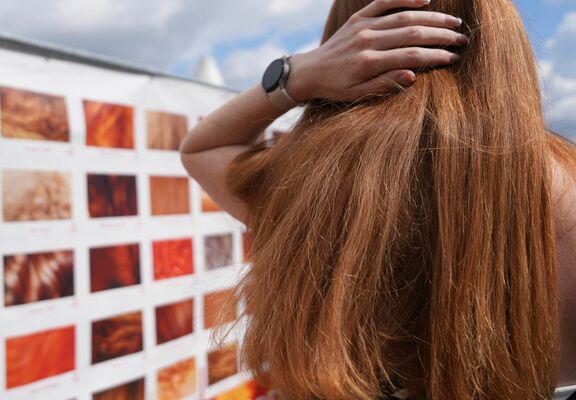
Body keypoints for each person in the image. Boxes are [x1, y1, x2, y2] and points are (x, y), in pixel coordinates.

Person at [180, 0, 576, 398]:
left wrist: (298, 74)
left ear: (347, 41)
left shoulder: (305, 182)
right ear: (500, 41)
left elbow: (201, 148)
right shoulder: (566, 187)